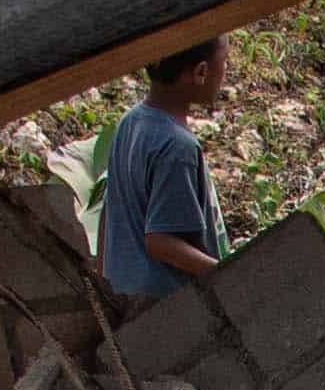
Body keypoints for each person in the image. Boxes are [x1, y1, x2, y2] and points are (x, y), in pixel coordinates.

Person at [98, 37, 229, 299]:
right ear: (201, 72)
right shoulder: (177, 147)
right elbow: (161, 243)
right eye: (225, 61)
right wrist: (228, 276)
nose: (226, 70)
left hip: (126, 301)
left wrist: (104, 281)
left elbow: (108, 212)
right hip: (164, 308)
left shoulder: (130, 121)